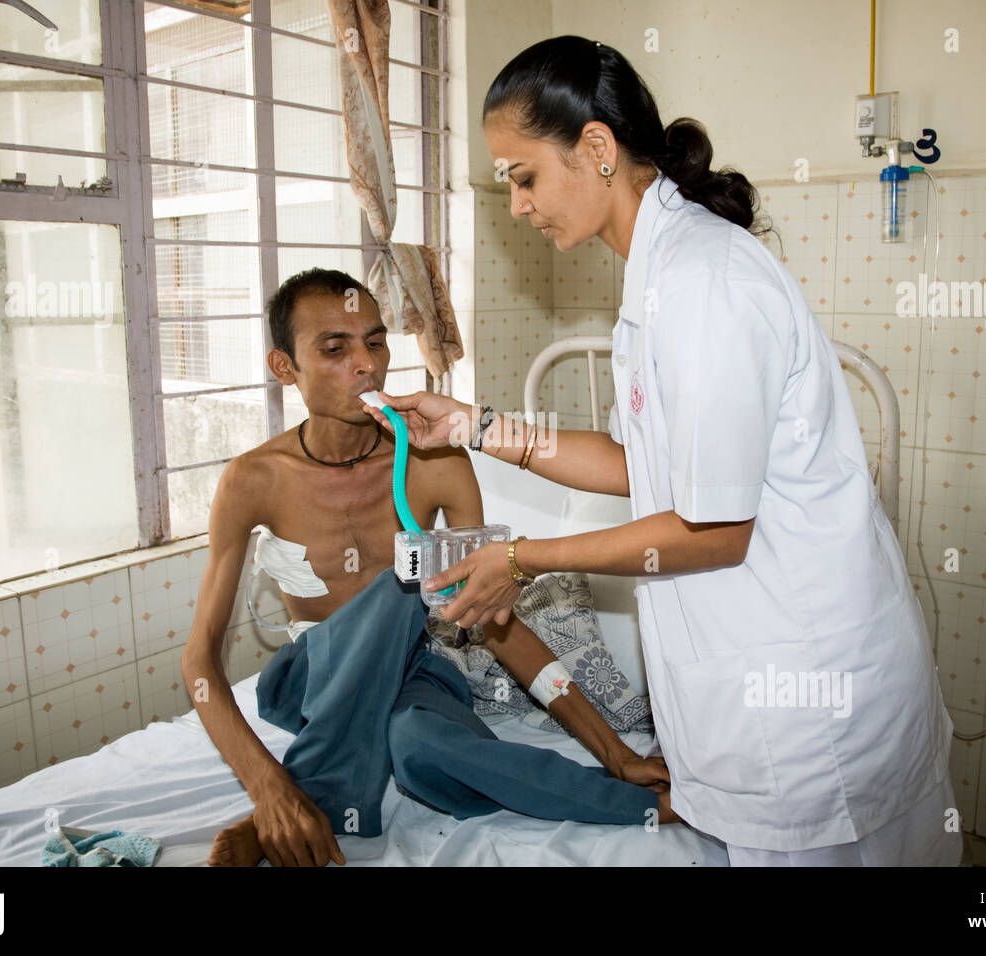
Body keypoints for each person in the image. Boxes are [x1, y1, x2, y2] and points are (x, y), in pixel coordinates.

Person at [363, 36, 962, 866]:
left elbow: (716, 530)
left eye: (522, 176)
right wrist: (472, 425)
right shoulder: (657, 278)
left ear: (597, 149)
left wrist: (522, 558)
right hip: (754, 685)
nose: (516, 206)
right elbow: (637, 462)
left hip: (811, 697)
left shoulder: (704, 286)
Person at [181, 267, 679, 867]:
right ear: (284, 367)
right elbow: (200, 658)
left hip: (415, 668)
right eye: (334, 348)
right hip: (312, 677)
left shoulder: (436, 460)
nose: (366, 364)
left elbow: (492, 613)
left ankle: (642, 807)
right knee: (406, 578)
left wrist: (613, 752)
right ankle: (293, 799)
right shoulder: (253, 479)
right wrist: (266, 785)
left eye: (375, 341)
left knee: (419, 746)